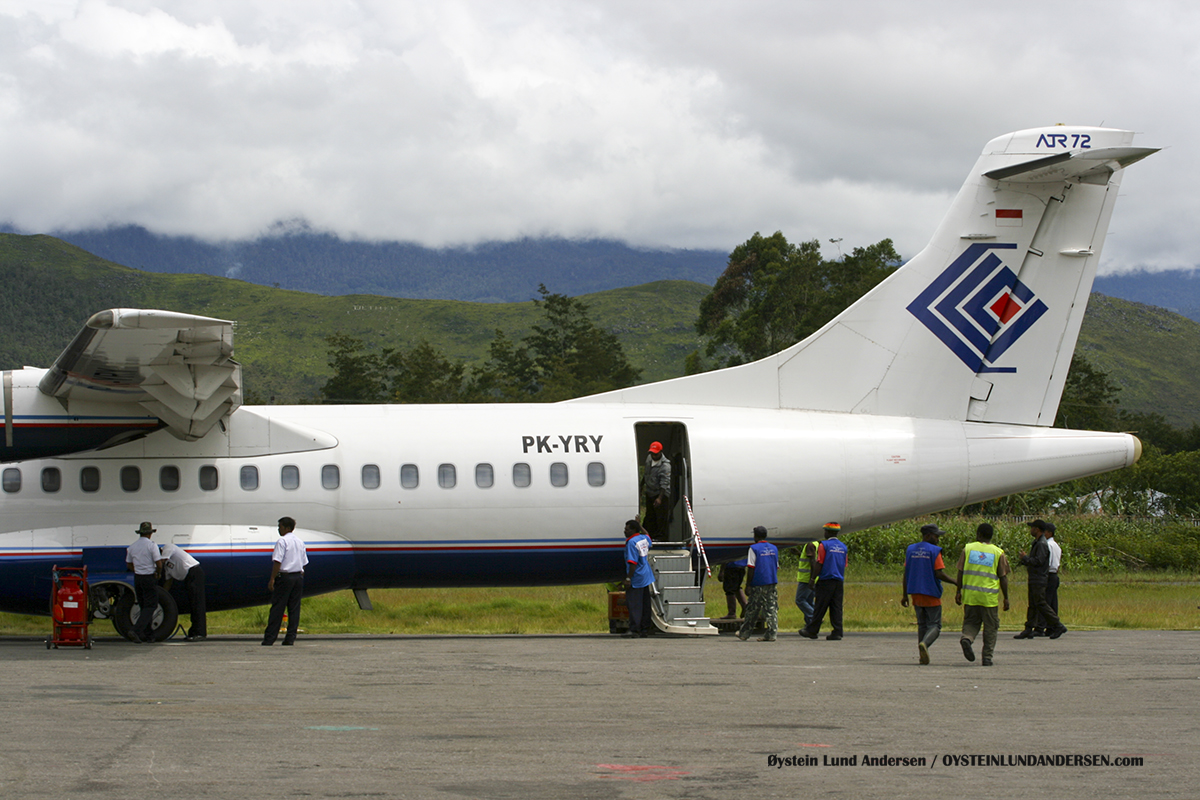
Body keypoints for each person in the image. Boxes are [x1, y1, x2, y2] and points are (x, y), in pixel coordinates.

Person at [900, 524, 959, 665]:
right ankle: (925, 644)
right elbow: (939, 573)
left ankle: (922, 656)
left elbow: (906, 573)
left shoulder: (911, 549)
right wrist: (956, 582)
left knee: (922, 625)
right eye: (936, 536)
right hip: (930, 592)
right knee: (935, 625)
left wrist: (904, 595)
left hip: (915, 592)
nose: (938, 539)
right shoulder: (934, 551)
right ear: (928, 536)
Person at [955, 522, 1010, 666]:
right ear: (991, 536)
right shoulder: (998, 552)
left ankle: (967, 638)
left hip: (970, 596)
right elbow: (1003, 577)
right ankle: (987, 657)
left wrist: (958, 591)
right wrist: (1006, 598)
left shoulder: (968, 549)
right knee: (991, 627)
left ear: (978, 534)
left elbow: (960, 572)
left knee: (971, 623)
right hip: (989, 598)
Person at [1015, 519, 1066, 640]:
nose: (1030, 530)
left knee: (1041, 603)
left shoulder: (1042, 544)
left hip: (1039, 578)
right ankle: (1029, 628)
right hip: (1035, 578)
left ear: (1037, 529)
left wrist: (1025, 558)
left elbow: (1039, 561)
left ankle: (1057, 624)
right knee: (1032, 605)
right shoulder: (1038, 543)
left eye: (1032, 528)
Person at [262, 516, 308, 646]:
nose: (278, 529)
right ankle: (290, 638)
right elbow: (304, 562)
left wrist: (272, 578)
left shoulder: (282, 541)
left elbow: (278, 561)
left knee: (278, 607)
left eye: (280, 527)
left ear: (287, 528)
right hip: (298, 576)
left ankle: (270, 638)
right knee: (294, 608)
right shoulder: (300, 542)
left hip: (285, 576)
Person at [799, 522, 847, 640]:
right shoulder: (843, 547)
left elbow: (819, 562)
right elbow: (844, 564)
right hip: (838, 580)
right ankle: (837, 631)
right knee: (836, 607)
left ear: (829, 532)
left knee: (820, 606)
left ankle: (812, 630)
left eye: (825, 531)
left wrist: (812, 579)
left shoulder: (824, 545)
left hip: (826, 580)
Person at [737, 526, 779, 641]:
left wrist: (748, 585)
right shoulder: (774, 548)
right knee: (771, 607)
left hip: (758, 581)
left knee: (753, 608)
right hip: (771, 581)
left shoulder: (754, 548)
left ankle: (745, 633)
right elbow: (776, 565)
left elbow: (751, 567)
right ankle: (772, 633)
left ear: (755, 536)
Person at [125, 521, 164, 643]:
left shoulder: (132, 547)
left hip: (138, 578)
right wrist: (158, 572)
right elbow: (159, 563)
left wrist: (137, 570)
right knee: (151, 606)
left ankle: (149, 635)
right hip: (149, 577)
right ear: (150, 534)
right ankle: (135, 630)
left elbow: (129, 563)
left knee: (144, 607)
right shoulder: (152, 545)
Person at [160, 541, 207, 641]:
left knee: (197, 604)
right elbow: (168, 582)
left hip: (194, 573)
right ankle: (194, 631)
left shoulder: (168, 547)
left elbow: (163, 560)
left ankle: (200, 633)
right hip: (188, 578)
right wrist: (162, 595)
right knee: (193, 604)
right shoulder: (167, 567)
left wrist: (155, 568)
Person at [622, 519, 655, 637]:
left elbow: (632, 563)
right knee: (645, 604)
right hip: (646, 575)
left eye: (627, 529)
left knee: (634, 604)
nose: (624, 531)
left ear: (633, 530)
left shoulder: (631, 542)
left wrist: (628, 579)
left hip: (637, 577)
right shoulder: (643, 539)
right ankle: (645, 629)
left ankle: (634, 629)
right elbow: (648, 535)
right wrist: (640, 525)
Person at [1034, 523, 1062, 636]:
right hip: (1054, 574)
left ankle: (1041, 626)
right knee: (1052, 602)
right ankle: (1051, 627)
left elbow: (1046, 562)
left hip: (1048, 575)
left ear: (1049, 533)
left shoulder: (1047, 545)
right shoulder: (1056, 545)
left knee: (1044, 602)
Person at [642, 442, 671, 539]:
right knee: (650, 516)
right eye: (652, 453)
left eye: (656, 454)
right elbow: (646, 474)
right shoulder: (649, 459)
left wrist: (659, 498)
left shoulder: (665, 466)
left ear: (661, 452)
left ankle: (661, 538)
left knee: (661, 517)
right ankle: (649, 535)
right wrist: (641, 485)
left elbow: (665, 483)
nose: (654, 456)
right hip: (650, 492)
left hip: (660, 493)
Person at [793, 534, 821, 629]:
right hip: (811, 578)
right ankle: (811, 626)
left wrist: (811, 579)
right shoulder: (815, 543)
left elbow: (812, 562)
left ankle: (814, 617)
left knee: (800, 600)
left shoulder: (810, 545)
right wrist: (799, 553)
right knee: (809, 601)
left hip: (806, 578)